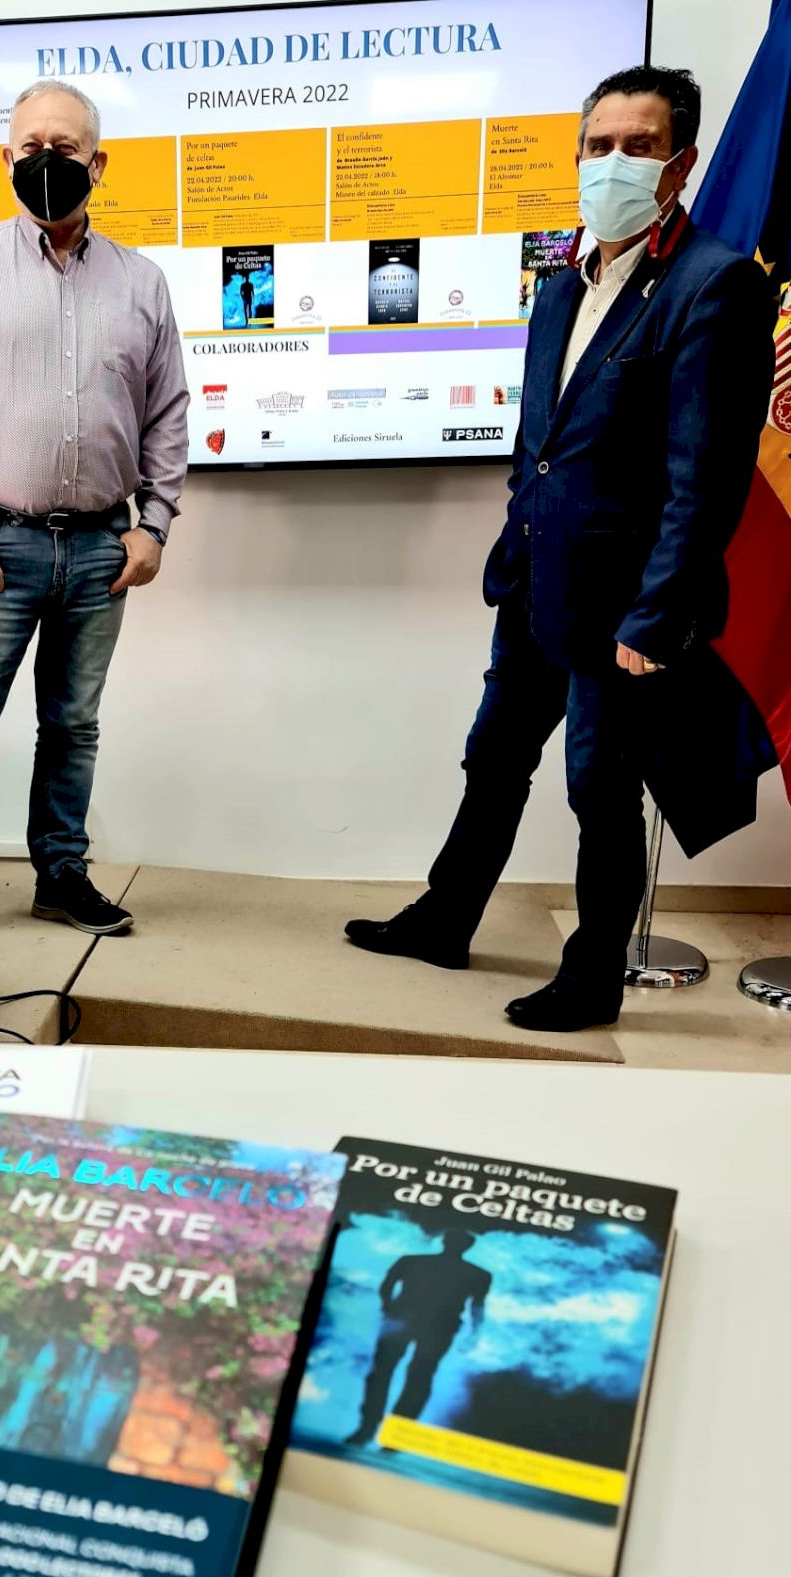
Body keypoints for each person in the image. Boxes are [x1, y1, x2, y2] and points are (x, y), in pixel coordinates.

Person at [346, 66, 775, 1031]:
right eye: (599, 145)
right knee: (494, 755)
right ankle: (445, 917)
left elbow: (706, 478)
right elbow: (537, 442)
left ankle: (591, 978)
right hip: (534, 581)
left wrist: (658, 615)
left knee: (599, 788)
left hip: (624, 608)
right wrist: (514, 540)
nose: (614, 163)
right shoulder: (558, 285)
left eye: (639, 146)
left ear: (680, 164)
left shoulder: (716, 286)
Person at [0, 79, 189, 935]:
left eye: (65, 148)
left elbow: (168, 410)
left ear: (97, 164)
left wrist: (155, 524)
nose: (47, 161)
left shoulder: (141, 281)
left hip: (102, 549)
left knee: (73, 727)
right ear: (6, 158)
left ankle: (61, 875)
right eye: (31, 147)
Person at [347, 1229, 491, 1446]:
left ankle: (374, 1430)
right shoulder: (477, 1274)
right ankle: (389, 1433)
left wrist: (389, 1307)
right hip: (432, 1326)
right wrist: (474, 1332)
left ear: (444, 1241)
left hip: (417, 1323)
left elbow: (387, 1285)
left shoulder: (413, 1261)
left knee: (391, 1374)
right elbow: (477, 1306)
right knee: (415, 1377)